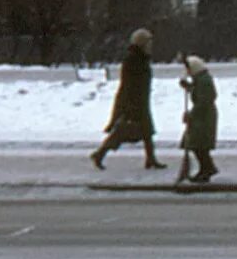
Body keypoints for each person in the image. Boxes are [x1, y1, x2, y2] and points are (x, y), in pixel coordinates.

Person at [92, 28, 164, 169]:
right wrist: (131, 103)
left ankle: (151, 159)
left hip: (141, 100)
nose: (151, 45)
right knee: (124, 132)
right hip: (133, 101)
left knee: (147, 131)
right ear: (141, 43)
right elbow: (129, 84)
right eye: (148, 42)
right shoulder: (133, 60)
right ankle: (100, 153)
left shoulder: (141, 58)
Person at [174, 55, 220, 188]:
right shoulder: (201, 79)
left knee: (197, 143)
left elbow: (203, 101)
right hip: (202, 116)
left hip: (203, 117)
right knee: (197, 144)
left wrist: (190, 115)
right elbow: (199, 93)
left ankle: (207, 168)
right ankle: (207, 168)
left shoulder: (204, 80)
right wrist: (188, 87)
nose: (187, 72)